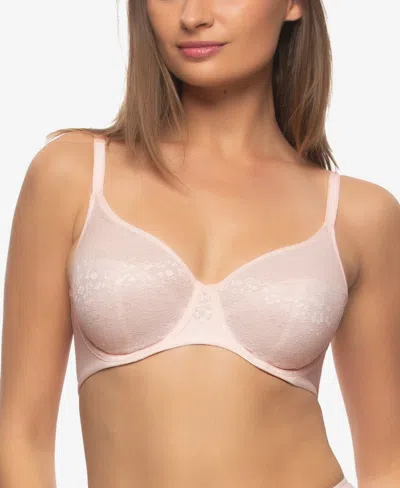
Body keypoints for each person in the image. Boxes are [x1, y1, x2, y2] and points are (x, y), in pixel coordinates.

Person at [0, 1, 399, 487]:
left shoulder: (359, 215)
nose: (193, 16)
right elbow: (21, 436)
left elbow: (388, 466)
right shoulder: (72, 175)